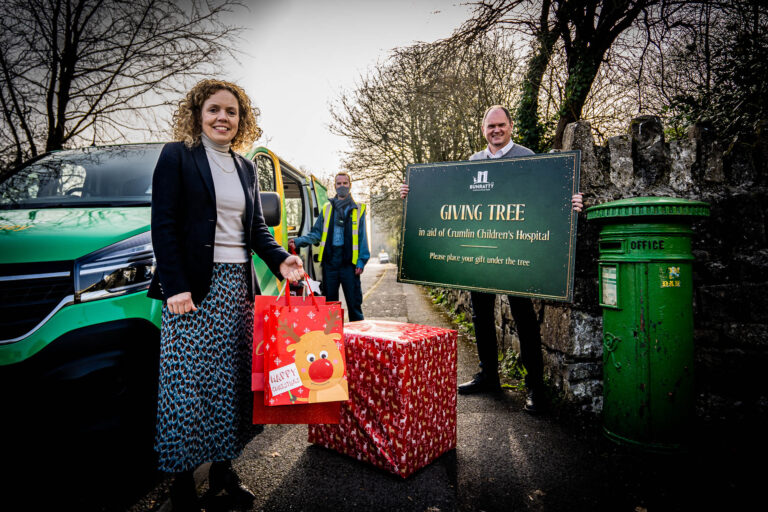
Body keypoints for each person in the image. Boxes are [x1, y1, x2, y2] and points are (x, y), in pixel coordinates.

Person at [148, 79, 304, 511]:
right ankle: (181, 482)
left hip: (237, 288)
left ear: (241, 120)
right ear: (198, 113)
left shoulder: (244, 167)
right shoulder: (177, 157)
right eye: (214, 109)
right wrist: (175, 285)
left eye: (231, 112)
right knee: (187, 385)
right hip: (192, 291)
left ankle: (222, 472)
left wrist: (280, 260)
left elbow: (253, 230)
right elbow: (163, 224)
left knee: (232, 384)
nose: (223, 118)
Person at [401, 105, 583, 414]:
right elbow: (453, 200)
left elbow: (546, 197)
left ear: (511, 126)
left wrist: (572, 202)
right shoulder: (473, 162)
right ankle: (488, 376)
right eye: (490, 126)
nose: (495, 130)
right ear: (483, 130)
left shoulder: (528, 159)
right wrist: (414, 193)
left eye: (500, 125)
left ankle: (535, 388)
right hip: (479, 254)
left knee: (524, 319)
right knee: (480, 315)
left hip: (515, 253)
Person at [289, 172, 369, 321]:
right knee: (330, 305)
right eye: (339, 184)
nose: (342, 186)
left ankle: (357, 339)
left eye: (345, 183)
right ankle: (332, 338)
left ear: (350, 186)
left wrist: (361, 261)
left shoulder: (359, 209)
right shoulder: (327, 209)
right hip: (330, 264)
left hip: (350, 265)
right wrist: (298, 241)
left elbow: (363, 237)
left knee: (354, 305)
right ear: (335, 186)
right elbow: (316, 233)